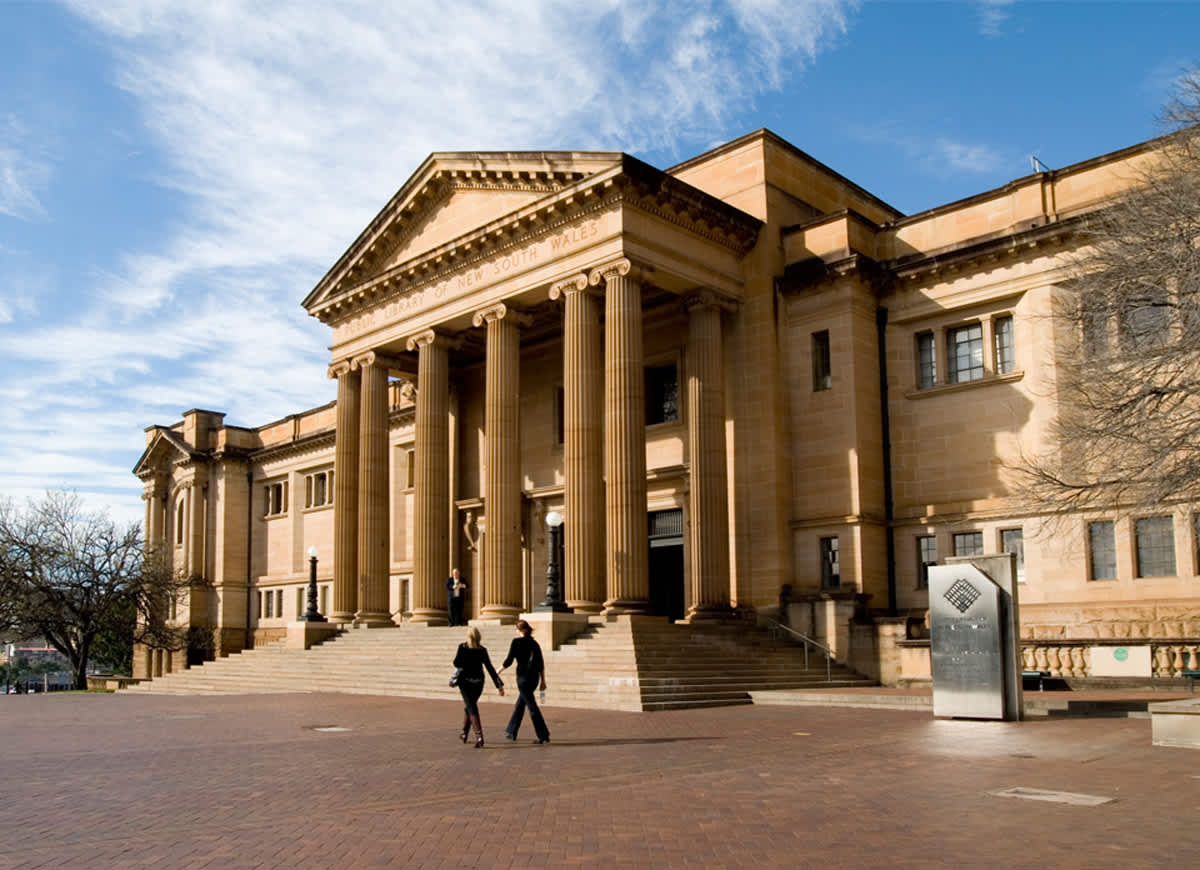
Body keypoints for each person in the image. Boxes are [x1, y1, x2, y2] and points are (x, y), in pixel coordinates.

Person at [498, 619, 550, 744]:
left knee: (532, 706)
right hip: (534, 678)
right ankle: (511, 731)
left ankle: (543, 734)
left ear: (520, 630)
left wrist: (498, 670)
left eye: (517, 629)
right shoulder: (534, 643)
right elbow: (540, 664)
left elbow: (509, 660)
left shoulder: (516, 642)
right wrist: (543, 681)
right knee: (521, 704)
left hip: (523, 678)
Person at [452, 626, 504, 747]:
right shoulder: (482, 650)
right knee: (470, 706)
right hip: (478, 682)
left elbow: (456, 663)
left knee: (471, 707)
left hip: (465, 682)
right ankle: (464, 733)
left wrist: (464, 658)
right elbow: (490, 668)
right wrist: (499, 685)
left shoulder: (462, 647)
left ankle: (479, 737)